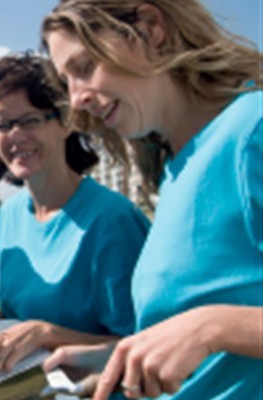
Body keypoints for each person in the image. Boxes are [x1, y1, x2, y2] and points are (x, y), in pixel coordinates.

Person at [41, 0, 263, 399]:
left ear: (149, 27)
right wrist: (116, 358)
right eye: (66, 80)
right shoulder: (177, 170)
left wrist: (212, 327)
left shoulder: (253, 129)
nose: (75, 100)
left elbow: (207, 328)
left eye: (85, 67)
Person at [0, 53, 149, 376]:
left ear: (66, 122)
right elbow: (20, 321)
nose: (16, 136)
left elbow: (145, 347)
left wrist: (48, 335)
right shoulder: (9, 215)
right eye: (4, 124)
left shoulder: (113, 220)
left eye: (30, 119)